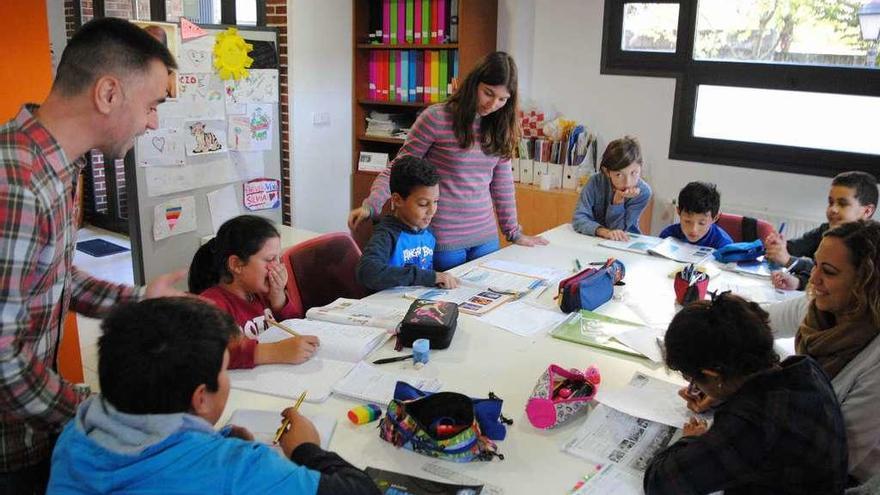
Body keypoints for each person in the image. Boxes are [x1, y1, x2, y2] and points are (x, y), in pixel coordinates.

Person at [0, 18, 186, 493]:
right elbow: (2, 359)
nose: (153, 122)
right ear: (108, 94)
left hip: (32, 433)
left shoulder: (55, 168)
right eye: (150, 105)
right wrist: (98, 412)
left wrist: (142, 298)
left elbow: (55, 278)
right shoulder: (16, 184)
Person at [46, 298, 380, 495]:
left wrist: (215, 440)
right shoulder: (237, 469)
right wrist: (308, 449)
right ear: (201, 398)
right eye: (224, 370)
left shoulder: (76, 433)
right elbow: (362, 490)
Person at [348, 51, 548, 271]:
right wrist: (371, 205)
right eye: (488, 93)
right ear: (474, 84)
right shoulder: (436, 118)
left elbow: (502, 185)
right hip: (444, 236)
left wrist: (514, 232)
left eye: (502, 99)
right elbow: (399, 168)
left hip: (485, 236)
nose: (493, 104)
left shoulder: (500, 126)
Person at [646, 293, 848, 495]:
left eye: (692, 378)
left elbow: (660, 484)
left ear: (713, 374)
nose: (692, 385)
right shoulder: (805, 370)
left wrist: (691, 440)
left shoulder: (753, 424)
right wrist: (721, 394)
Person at [761, 220, 880, 485]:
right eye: (815, 264)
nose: (813, 279)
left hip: (844, 478)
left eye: (829, 271)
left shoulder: (875, 358)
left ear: (866, 283)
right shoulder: (819, 307)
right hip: (794, 445)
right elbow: (754, 323)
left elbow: (832, 459)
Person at [189, 215, 320, 370]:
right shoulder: (212, 305)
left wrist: (278, 297)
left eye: (278, 258)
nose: (276, 267)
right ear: (237, 264)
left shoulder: (262, 293)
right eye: (270, 259)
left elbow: (293, 325)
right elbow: (209, 355)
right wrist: (274, 351)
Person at [356, 156, 459, 291]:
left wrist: (436, 279)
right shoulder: (387, 234)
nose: (432, 211)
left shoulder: (428, 232)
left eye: (436, 201)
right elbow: (367, 272)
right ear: (397, 200)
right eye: (423, 204)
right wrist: (428, 278)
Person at [766, 171, 877, 291]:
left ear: (867, 211)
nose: (833, 209)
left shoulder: (871, 246)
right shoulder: (826, 229)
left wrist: (789, 260)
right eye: (831, 202)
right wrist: (778, 246)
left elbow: (839, 280)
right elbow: (796, 249)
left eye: (842, 204)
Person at [571, 136, 652, 241]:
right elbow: (579, 218)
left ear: (641, 167)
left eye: (634, 173)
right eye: (619, 174)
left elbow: (619, 231)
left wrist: (618, 201)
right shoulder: (595, 182)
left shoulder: (643, 192)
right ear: (606, 171)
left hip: (626, 241)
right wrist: (604, 232)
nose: (627, 182)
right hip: (594, 239)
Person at [659, 181, 733, 249]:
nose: (693, 229)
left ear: (715, 218)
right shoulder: (668, 235)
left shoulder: (723, 245)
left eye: (701, 223)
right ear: (678, 212)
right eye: (687, 221)